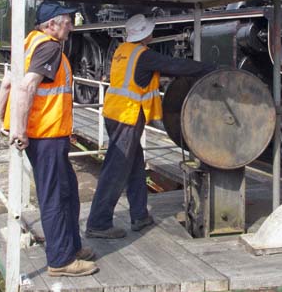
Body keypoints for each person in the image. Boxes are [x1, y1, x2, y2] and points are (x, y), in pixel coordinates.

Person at [85, 14, 215, 239]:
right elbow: (175, 65)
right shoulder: (143, 56)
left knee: (135, 166)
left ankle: (139, 216)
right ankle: (98, 223)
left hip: (115, 113)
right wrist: (208, 68)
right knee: (115, 170)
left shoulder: (122, 51)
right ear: (146, 34)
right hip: (128, 116)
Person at [0, 0, 99, 277]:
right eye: (67, 21)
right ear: (51, 24)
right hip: (46, 134)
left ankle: (71, 246)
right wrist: (19, 129)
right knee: (54, 195)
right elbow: (27, 85)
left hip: (49, 134)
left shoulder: (29, 43)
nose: (71, 25)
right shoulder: (50, 47)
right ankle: (61, 261)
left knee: (67, 191)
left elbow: (7, 84)